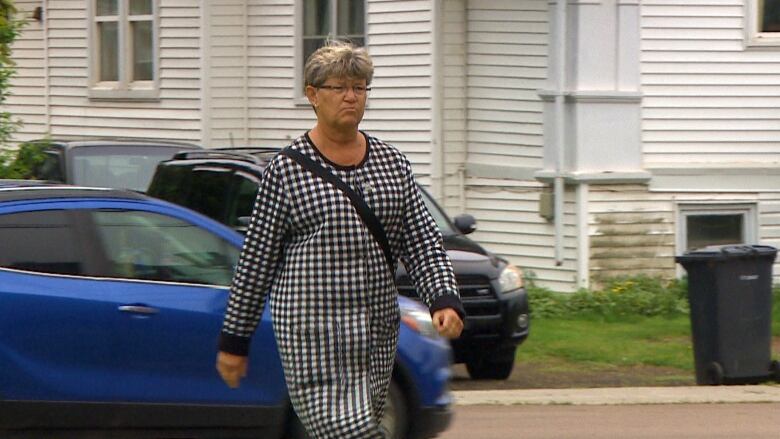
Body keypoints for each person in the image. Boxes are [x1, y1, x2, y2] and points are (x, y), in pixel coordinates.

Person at [216, 40, 465, 439]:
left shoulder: (392, 163)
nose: (351, 96)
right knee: (349, 432)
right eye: (339, 87)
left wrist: (443, 297)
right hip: (313, 335)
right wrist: (234, 340)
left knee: (363, 425)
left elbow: (421, 240)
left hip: (376, 336)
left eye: (360, 87)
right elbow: (256, 262)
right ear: (312, 95)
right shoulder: (287, 171)